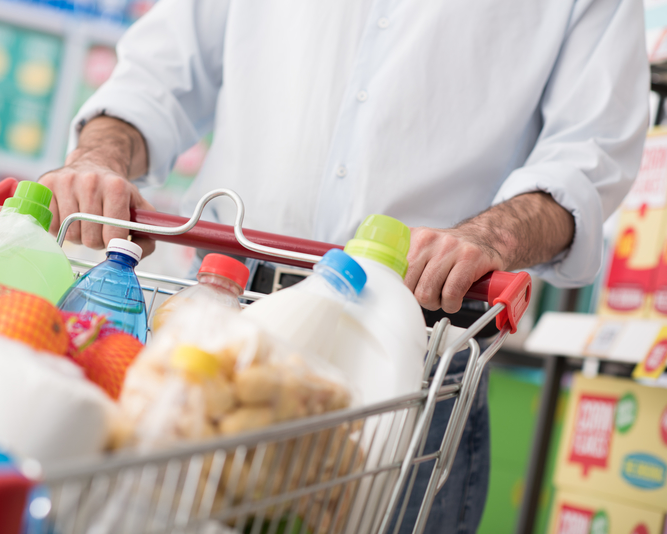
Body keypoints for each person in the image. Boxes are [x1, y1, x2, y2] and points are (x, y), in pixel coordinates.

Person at [40, 0, 650, 531]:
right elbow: (158, 72)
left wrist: (491, 238)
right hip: (222, 325)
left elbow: (590, 155)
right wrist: (99, 158)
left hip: (418, 349)